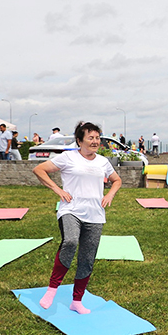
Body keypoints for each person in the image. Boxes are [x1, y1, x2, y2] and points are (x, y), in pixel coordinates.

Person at [33, 121, 122, 314]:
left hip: (95, 215)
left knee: (87, 258)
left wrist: (109, 195)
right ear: (80, 140)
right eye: (91, 137)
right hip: (71, 210)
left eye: (97, 137)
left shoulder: (102, 162)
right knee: (70, 242)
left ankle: (77, 301)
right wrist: (57, 189)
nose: (95, 141)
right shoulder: (68, 157)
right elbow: (39, 170)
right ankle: (52, 290)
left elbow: (117, 180)